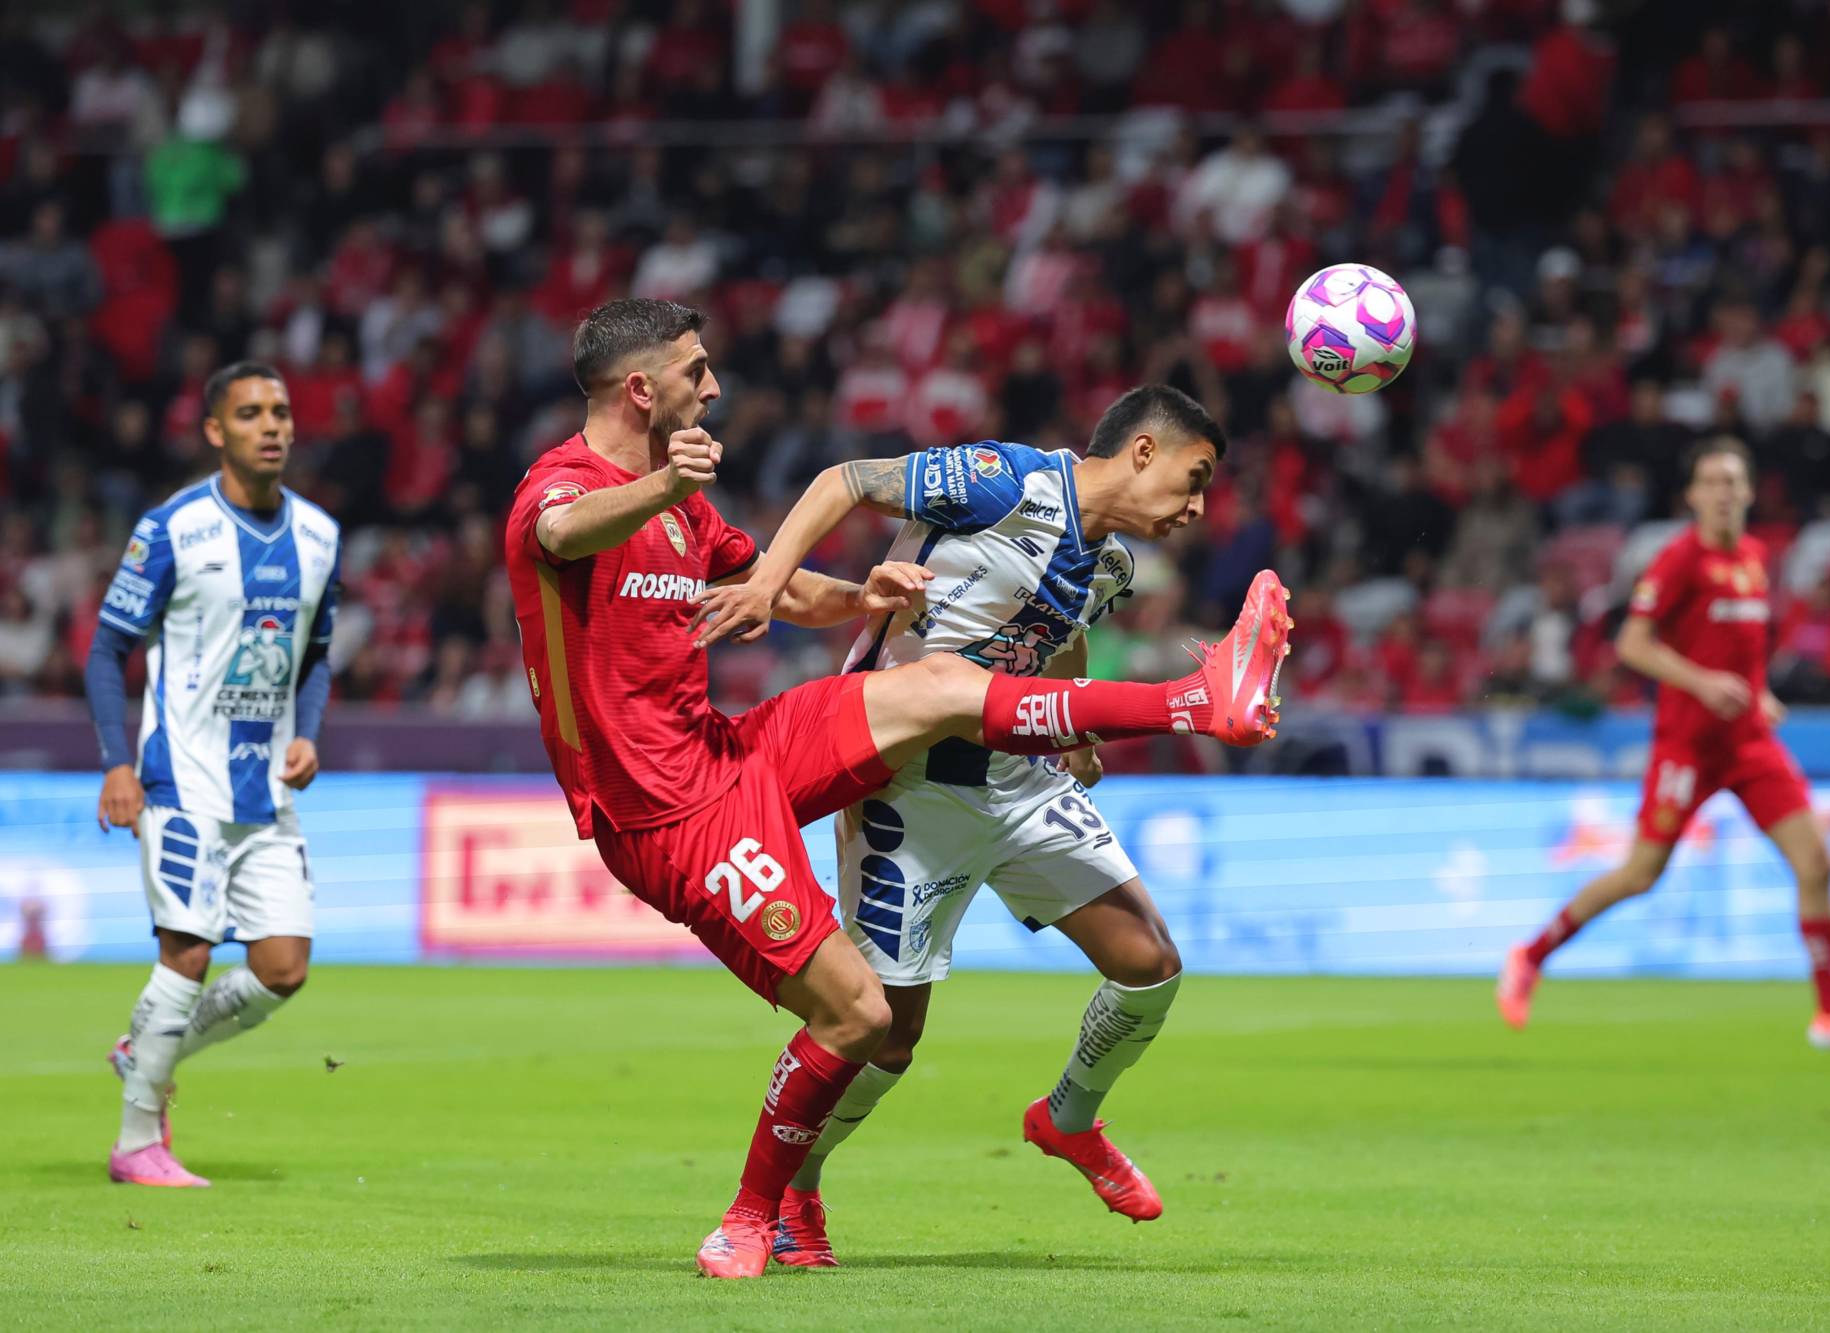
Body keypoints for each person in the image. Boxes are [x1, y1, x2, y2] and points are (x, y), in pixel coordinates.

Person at [502, 299, 1292, 1279]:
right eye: (696, 370)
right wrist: (665, 484)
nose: (711, 387)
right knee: (867, 1019)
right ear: (640, 388)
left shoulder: (690, 509)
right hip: (663, 812)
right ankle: (754, 1212)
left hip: (730, 749)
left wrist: (860, 594)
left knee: (939, 687)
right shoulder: (564, 488)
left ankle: (1191, 701)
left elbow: (782, 592)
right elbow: (564, 534)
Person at [696, 385, 1224, 1266]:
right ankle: (798, 1185)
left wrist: (1079, 729)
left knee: (1150, 964)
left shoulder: (1112, 564)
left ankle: (1067, 1120)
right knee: (886, 1036)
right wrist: (765, 579)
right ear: (1141, 451)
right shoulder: (1004, 481)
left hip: (1021, 779)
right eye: (1193, 476)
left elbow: (1063, 637)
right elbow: (846, 479)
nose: (1199, 506)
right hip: (913, 788)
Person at [1496, 438, 1830, 1059]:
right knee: (1640, 874)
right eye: (1711, 482)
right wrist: (1702, 683)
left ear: (1747, 491)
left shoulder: (1756, 557)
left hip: (1748, 745)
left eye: (1733, 481)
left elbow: (1743, 647)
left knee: (1816, 863)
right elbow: (1632, 644)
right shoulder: (1678, 560)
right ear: (1692, 495)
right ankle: (1530, 955)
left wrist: (1757, 694)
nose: (1723, 492)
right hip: (1687, 746)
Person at [90, 363, 343, 1187]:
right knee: (188, 953)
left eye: (280, 411)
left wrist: (307, 734)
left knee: (283, 970)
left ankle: (146, 1047)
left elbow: (315, 656)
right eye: (249, 414)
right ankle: (136, 1144)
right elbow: (106, 650)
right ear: (215, 431)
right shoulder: (171, 529)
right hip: (181, 782)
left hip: (265, 791)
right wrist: (117, 762)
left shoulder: (319, 536)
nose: (271, 426)